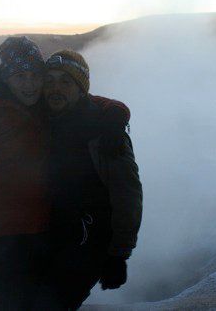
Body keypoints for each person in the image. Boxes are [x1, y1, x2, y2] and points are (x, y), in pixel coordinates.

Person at [0, 37, 131, 310]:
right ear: (7, 77)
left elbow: (88, 99)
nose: (29, 83)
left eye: (34, 76)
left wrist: (117, 113)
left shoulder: (39, 102)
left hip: (34, 237)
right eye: (20, 76)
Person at [39, 50, 143, 310]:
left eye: (65, 81)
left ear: (80, 87)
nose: (55, 88)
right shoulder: (41, 117)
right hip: (45, 239)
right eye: (49, 80)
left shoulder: (104, 132)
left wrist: (119, 254)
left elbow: (127, 194)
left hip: (87, 244)